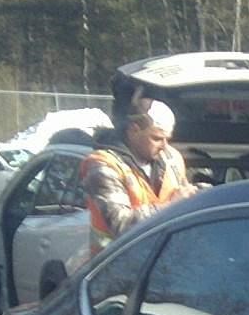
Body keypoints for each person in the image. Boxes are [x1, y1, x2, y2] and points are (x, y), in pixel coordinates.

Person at [80, 98, 194, 252]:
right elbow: (121, 224)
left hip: (161, 261)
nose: (164, 146)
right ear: (134, 130)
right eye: (157, 138)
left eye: (168, 139)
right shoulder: (103, 165)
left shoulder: (171, 158)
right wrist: (172, 206)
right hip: (115, 265)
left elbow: (185, 197)